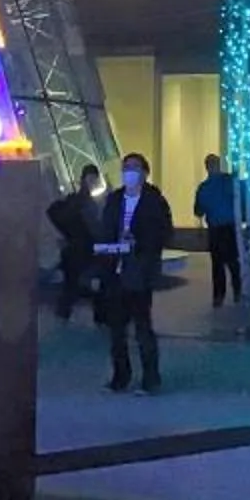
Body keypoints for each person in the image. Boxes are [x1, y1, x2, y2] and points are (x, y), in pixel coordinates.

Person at [94, 153, 174, 394]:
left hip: (139, 272)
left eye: (135, 168)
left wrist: (140, 241)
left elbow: (163, 232)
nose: (129, 172)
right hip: (115, 271)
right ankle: (121, 376)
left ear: (144, 172)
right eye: (126, 167)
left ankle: (151, 378)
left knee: (142, 327)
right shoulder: (115, 199)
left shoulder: (154, 201)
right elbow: (105, 229)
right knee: (116, 330)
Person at [45, 165, 102, 324]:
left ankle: (62, 318)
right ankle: (99, 318)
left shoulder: (73, 200)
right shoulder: (85, 202)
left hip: (72, 250)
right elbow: (94, 227)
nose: (93, 182)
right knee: (82, 286)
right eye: (92, 179)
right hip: (84, 251)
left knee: (71, 287)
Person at [194, 153, 242, 310]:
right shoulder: (228, 181)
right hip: (229, 227)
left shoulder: (204, 187)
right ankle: (237, 291)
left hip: (215, 229)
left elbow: (198, 211)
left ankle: (219, 296)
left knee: (218, 264)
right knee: (233, 262)